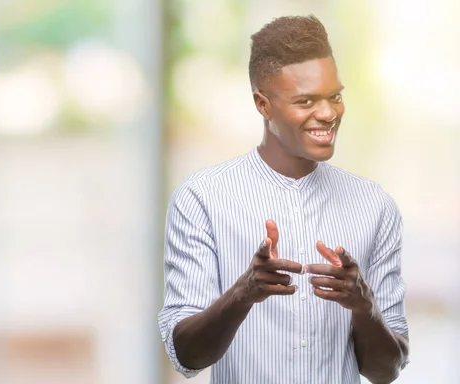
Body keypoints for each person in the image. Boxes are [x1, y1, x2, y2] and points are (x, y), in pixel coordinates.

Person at [158, 15, 409, 384]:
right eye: (305, 100)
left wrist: (363, 306)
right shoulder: (202, 199)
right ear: (263, 104)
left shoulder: (375, 206)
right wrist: (244, 292)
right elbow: (187, 357)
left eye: (334, 97)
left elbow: (385, 372)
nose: (327, 114)